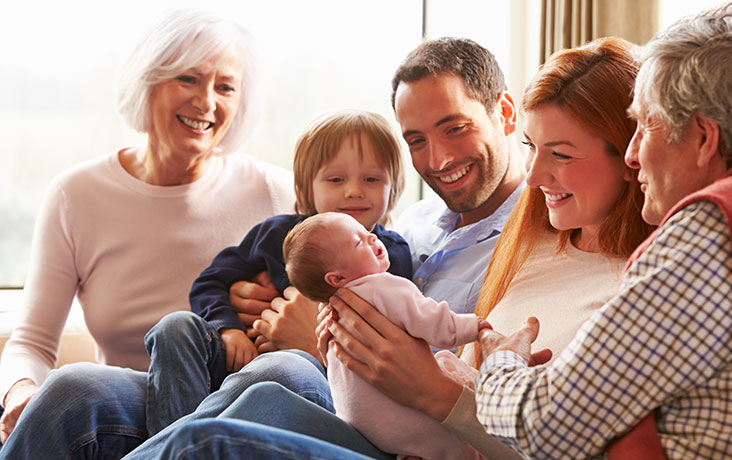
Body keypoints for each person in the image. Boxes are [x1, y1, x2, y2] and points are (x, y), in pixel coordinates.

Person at [140, 36, 655, 460]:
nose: (537, 176)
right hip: (374, 406)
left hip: (418, 432)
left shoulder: (619, 282)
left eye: (455, 128)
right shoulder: (426, 227)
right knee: (85, 395)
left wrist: (322, 347)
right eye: (416, 140)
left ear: (633, 153)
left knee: (242, 407)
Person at [474, 3, 732, 459]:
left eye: (642, 125)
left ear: (702, 138)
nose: (632, 154)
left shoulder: (712, 233)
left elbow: (546, 425)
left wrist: (501, 362)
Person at [0, 7, 297, 448]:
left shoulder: (274, 191)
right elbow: (32, 342)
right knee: (71, 388)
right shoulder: (76, 195)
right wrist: (21, 390)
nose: (207, 101)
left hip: (237, 408)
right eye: (189, 79)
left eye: (225, 86)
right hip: (121, 411)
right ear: (148, 78)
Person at [143, 110, 413, 435]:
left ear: (394, 188)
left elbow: (395, 330)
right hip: (236, 355)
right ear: (306, 187)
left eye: (372, 179)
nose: (354, 190)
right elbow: (211, 282)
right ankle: (172, 440)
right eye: (336, 179)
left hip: (310, 378)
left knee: (282, 369)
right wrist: (229, 330)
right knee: (174, 326)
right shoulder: (277, 235)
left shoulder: (392, 254)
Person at [286, 212, 490, 460]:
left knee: (275, 375)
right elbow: (436, 325)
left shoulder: (331, 311)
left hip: (360, 426)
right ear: (337, 278)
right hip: (410, 422)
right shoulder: (386, 287)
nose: (372, 238)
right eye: (359, 241)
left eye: (367, 232)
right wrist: (474, 327)